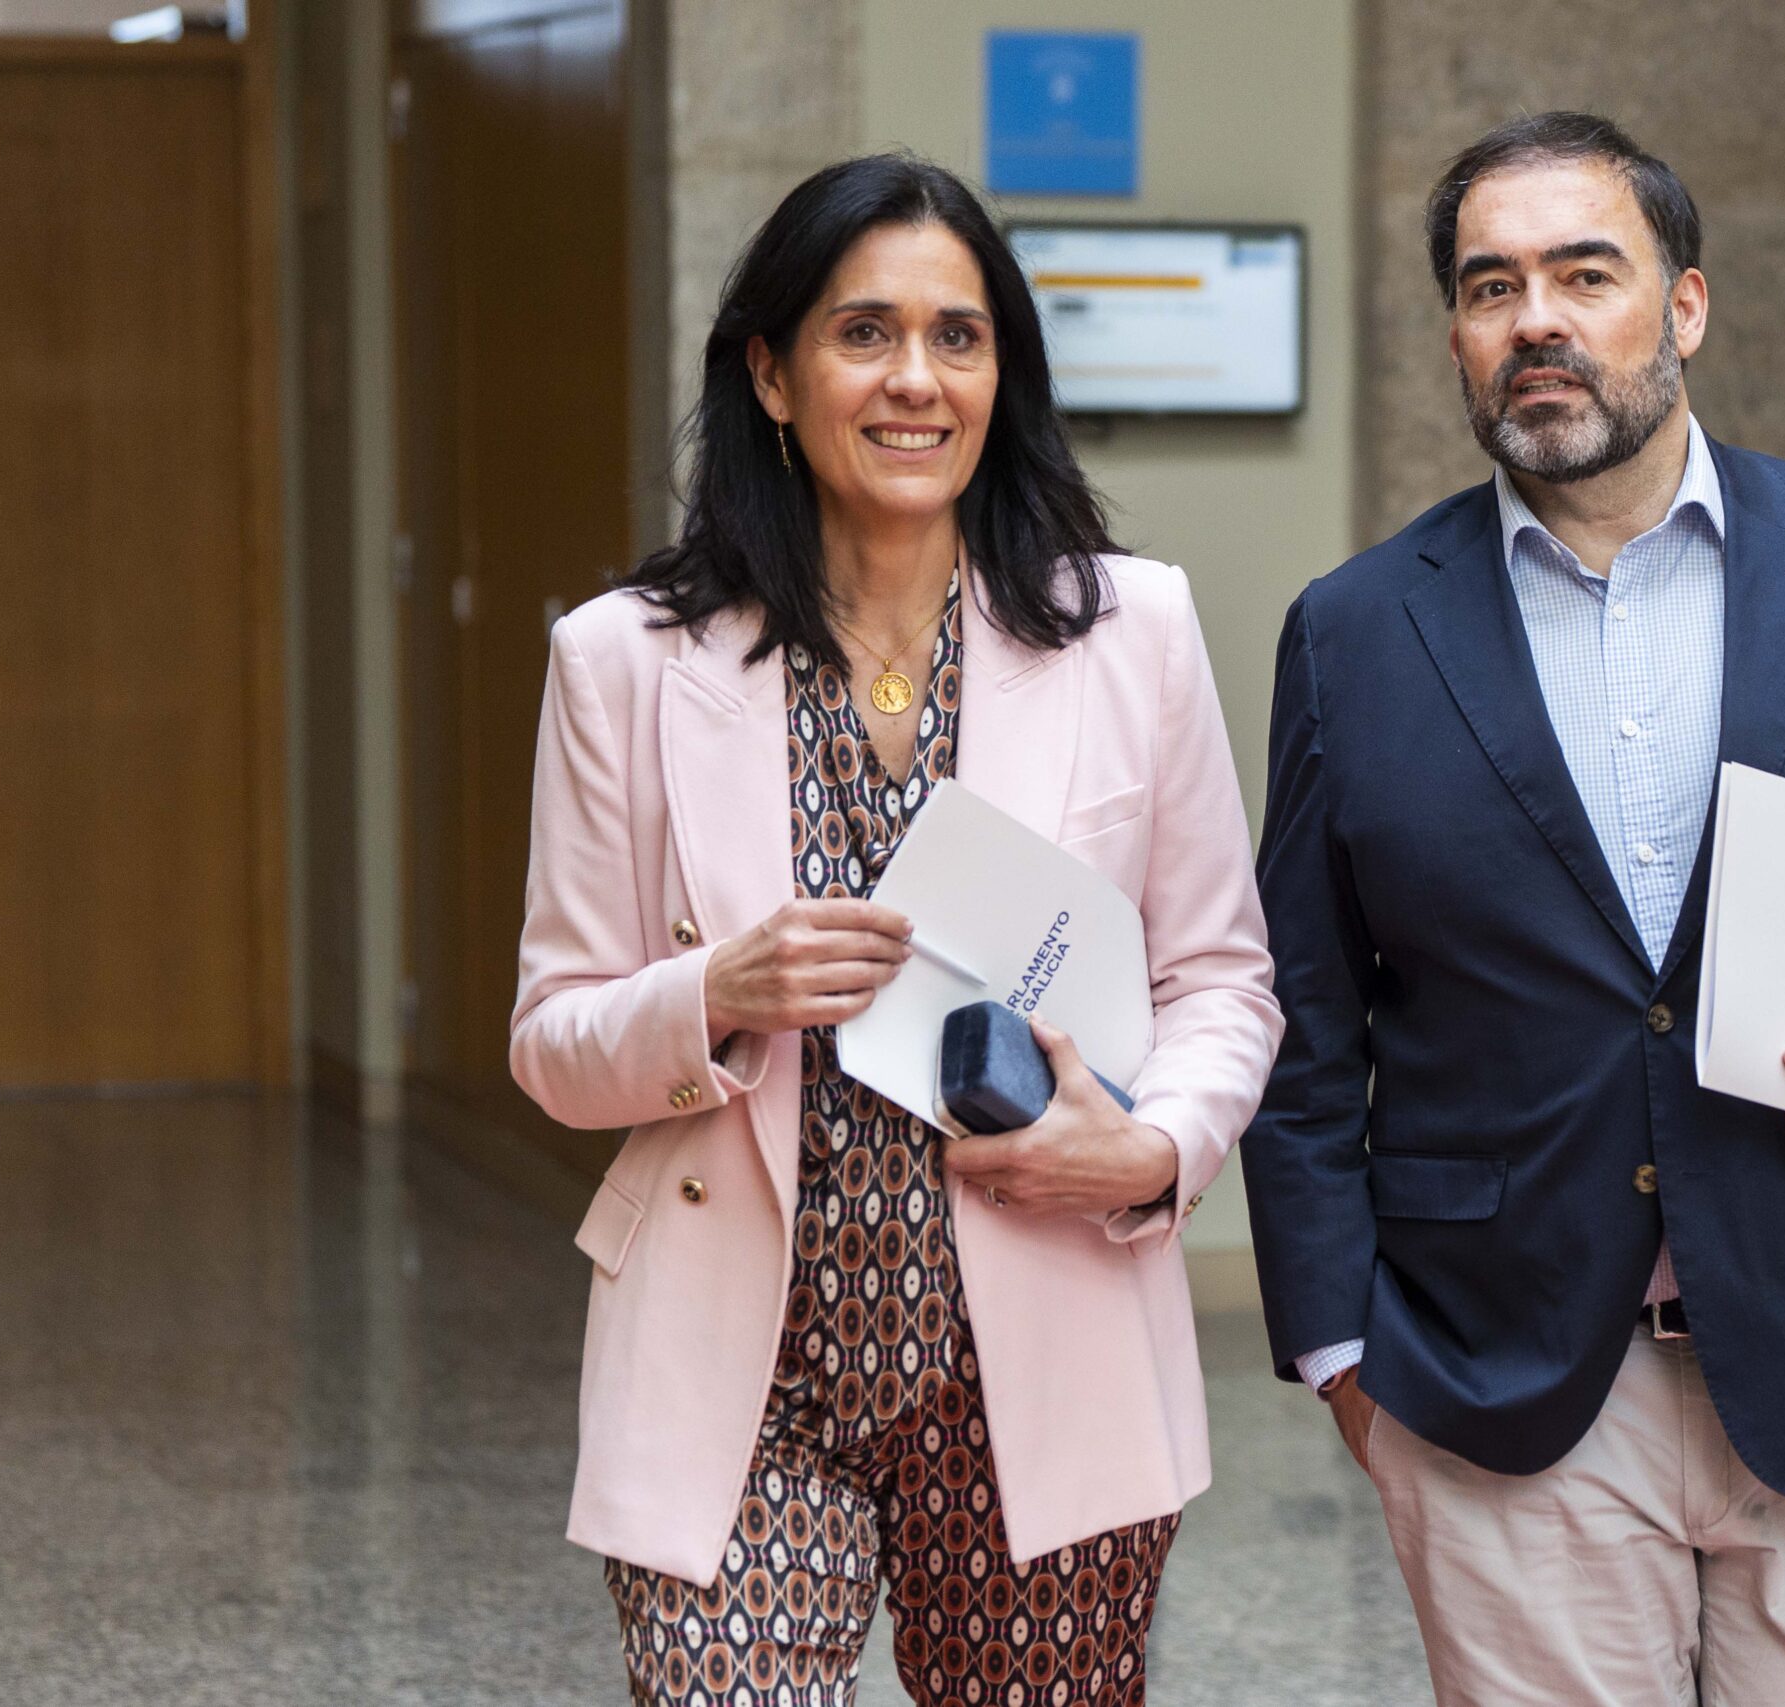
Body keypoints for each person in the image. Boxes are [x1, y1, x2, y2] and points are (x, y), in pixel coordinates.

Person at [1241, 111, 1785, 1705]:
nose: (1538, 321)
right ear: (1456, 333)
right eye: (1491, 287)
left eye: (1587, 274)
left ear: (1688, 305)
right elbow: (1302, 1021)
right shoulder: (1353, 633)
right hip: (1503, 1379)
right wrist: (1341, 1360)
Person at [511, 153, 1281, 1707]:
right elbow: (552, 1040)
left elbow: (1221, 978)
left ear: (1003, 374)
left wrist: (1153, 1152)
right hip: (743, 1374)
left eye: (959, 336)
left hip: (1045, 1351)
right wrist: (713, 991)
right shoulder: (624, 663)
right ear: (771, 376)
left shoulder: (1131, 634)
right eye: (864, 333)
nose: (915, 379)